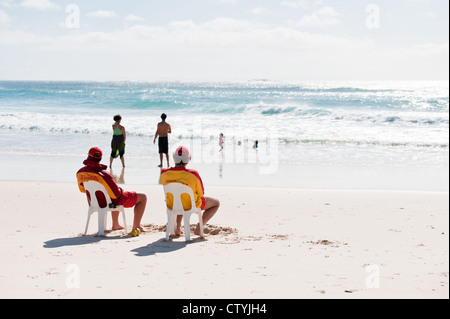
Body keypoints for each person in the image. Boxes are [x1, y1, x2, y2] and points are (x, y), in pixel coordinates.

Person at [77, 147, 147, 235]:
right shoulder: (104, 174)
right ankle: (136, 226)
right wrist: (120, 190)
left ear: (88, 156)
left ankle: (115, 224)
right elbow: (116, 195)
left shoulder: (80, 173)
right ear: (100, 158)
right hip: (108, 202)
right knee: (143, 197)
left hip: (94, 202)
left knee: (111, 194)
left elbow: (83, 190)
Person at [160, 146, 220, 237]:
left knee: (179, 197)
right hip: (190, 205)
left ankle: (178, 228)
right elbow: (201, 193)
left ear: (174, 158)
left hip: (172, 204)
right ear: (188, 159)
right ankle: (199, 228)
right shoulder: (193, 174)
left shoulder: (164, 173)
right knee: (216, 203)